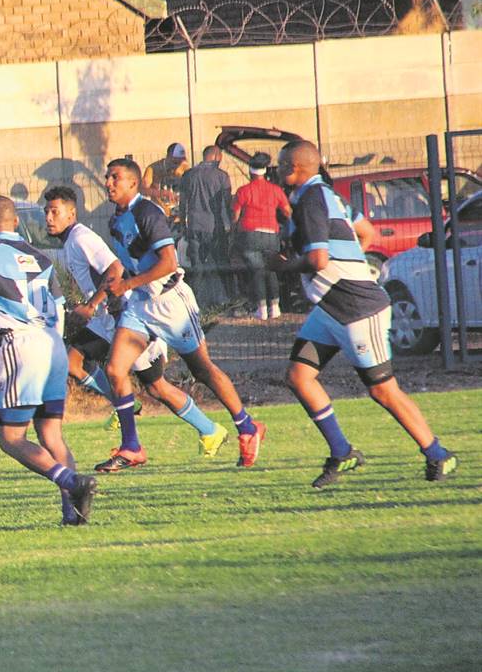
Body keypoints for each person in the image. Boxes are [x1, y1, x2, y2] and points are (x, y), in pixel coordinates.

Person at [270, 141, 457, 487]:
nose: (277, 170)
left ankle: (438, 453)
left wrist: (285, 266)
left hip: (357, 309)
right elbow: (365, 232)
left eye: (281, 165)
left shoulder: (311, 200)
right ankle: (342, 452)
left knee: (382, 390)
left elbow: (318, 260)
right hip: (331, 307)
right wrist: (352, 264)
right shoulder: (325, 195)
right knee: (299, 376)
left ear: (294, 168)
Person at [42, 185, 229, 469]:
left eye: (55, 212)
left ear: (71, 213)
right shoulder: (70, 243)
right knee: (73, 361)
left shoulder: (81, 238)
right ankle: (129, 412)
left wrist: (92, 305)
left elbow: (115, 269)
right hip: (106, 319)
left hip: (123, 315)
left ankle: (206, 430)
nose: (49, 218)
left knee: (156, 386)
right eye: (46, 212)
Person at [101, 158, 266, 468]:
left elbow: (168, 262)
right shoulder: (115, 219)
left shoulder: (147, 213)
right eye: (107, 177)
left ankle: (247, 426)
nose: (108, 183)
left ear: (133, 183)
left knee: (202, 370)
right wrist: (115, 292)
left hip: (171, 302)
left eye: (115, 177)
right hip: (140, 304)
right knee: (114, 369)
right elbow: (128, 262)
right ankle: (131, 447)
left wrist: (126, 285)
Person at [0, 197, 98, 526]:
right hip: (52, 343)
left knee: (11, 439)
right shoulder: (41, 257)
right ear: (16, 223)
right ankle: (73, 514)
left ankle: (72, 482)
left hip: (20, 344)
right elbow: (60, 308)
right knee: (51, 434)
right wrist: (55, 345)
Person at [232, 152, 290, 320]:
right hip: (271, 234)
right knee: (271, 270)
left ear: (250, 171)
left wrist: (234, 231)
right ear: (265, 171)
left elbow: (235, 216)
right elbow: (287, 211)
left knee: (257, 271)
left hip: (250, 235)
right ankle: (275, 307)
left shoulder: (243, 191)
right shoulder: (276, 190)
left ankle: (262, 309)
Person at [177, 145, 233, 304]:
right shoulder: (222, 176)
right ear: (216, 157)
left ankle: (194, 302)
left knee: (197, 266)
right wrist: (230, 225)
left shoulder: (188, 175)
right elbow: (227, 203)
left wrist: (183, 225)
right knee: (222, 263)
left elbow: (182, 203)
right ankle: (229, 299)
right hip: (215, 227)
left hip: (194, 226)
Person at [143, 142, 189, 221]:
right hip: (160, 211)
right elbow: (143, 190)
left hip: (179, 212)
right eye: (174, 162)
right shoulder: (154, 169)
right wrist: (162, 193)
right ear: (168, 157)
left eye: (179, 163)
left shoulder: (185, 169)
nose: (176, 166)